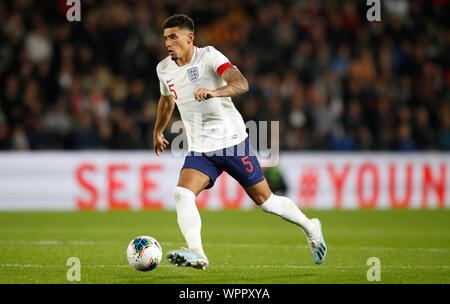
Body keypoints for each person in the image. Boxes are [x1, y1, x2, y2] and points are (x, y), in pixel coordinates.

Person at [153, 14, 327, 270]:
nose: (168, 42)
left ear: (190, 38)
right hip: (200, 149)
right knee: (182, 193)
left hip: (232, 141)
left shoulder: (210, 56)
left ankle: (311, 226)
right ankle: (197, 252)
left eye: (173, 37)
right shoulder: (164, 69)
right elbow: (167, 100)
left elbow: (241, 83)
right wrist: (158, 131)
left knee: (266, 202)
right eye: (165, 37)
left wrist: (215, 92)